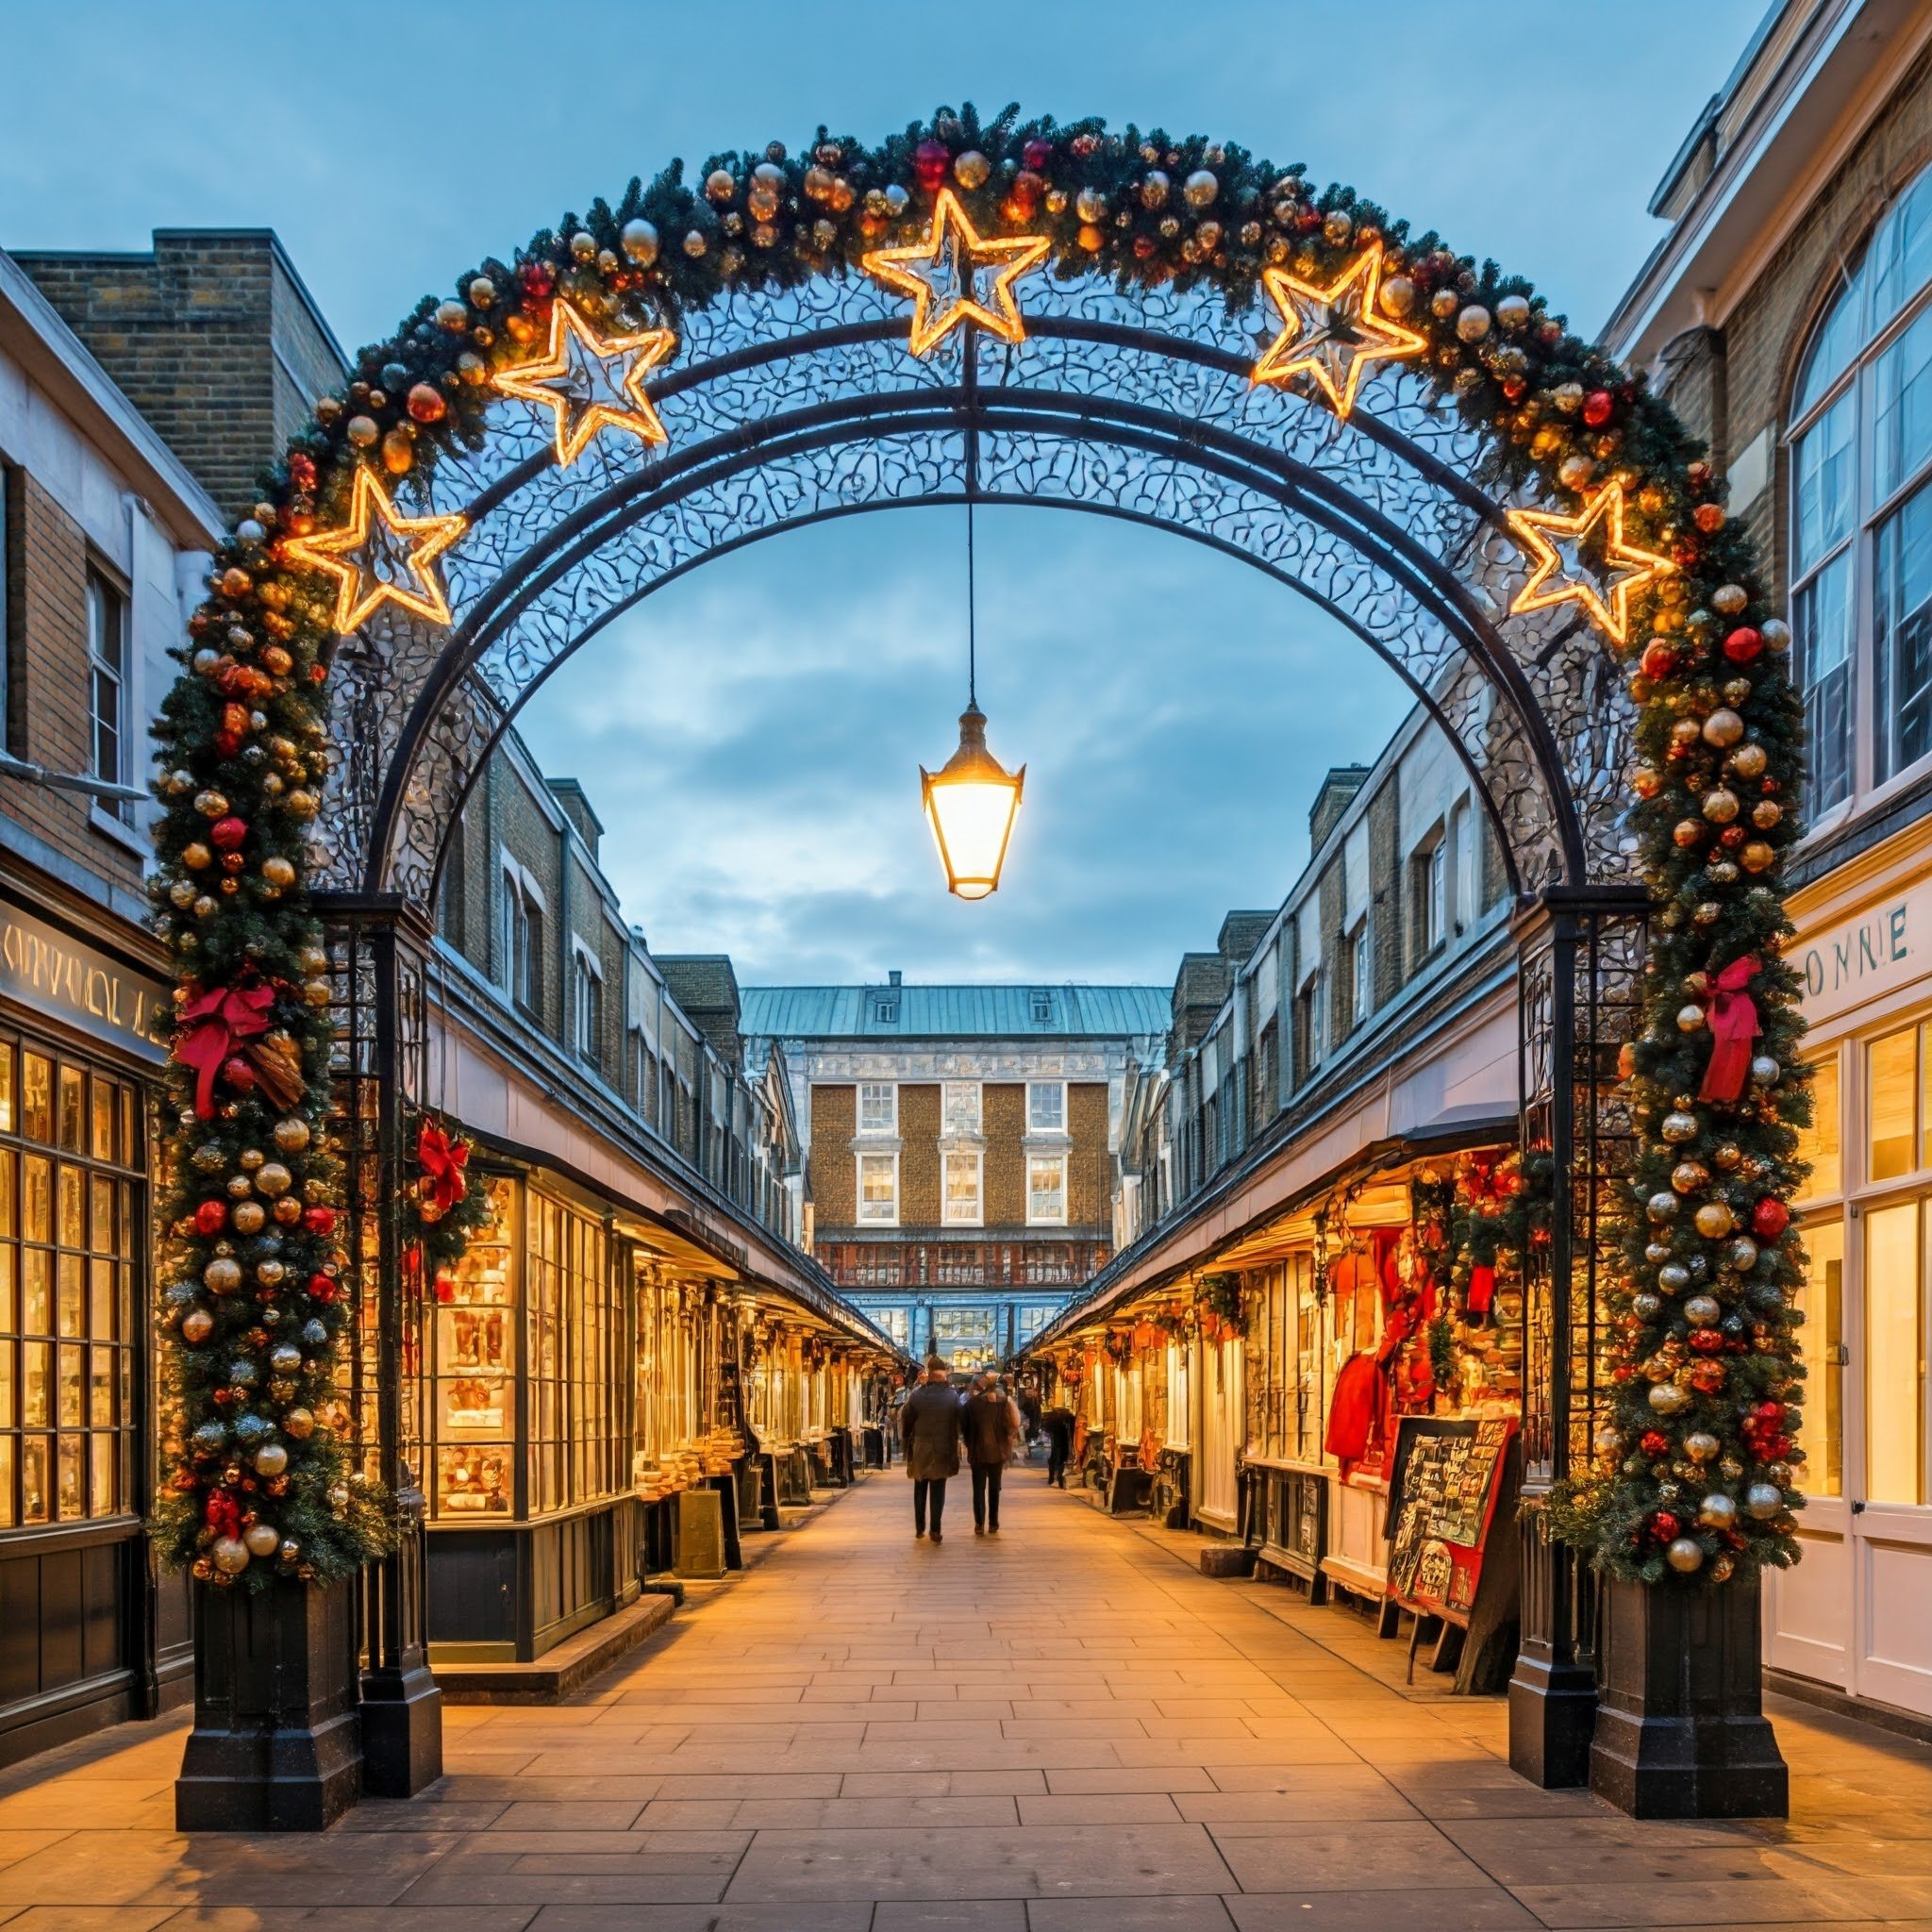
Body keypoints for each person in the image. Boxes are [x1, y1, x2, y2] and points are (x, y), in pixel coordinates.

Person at [900, 1356, 962, 1542]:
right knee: (938, 1489)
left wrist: (906, 1442)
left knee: (920, 1487)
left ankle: (920, 1528)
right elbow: (960, 1419)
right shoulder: (952, 1396)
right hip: (943, 1447)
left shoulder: (917, 1395)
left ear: (929, 1373)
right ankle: (935, 1529)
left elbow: (906, 1419)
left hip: (920, 1447)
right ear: (943, 1375)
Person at [963, 1374, 1020, 1534]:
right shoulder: (1004, 1403)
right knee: (994, 1488)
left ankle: (979, 1523)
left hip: (977, 1452)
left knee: (978, 1489)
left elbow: (964, 1427)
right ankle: (993, 1523)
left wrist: (970, 1444)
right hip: (999, 1452)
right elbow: (1015, 1423)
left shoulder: (971, 1404)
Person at [1041, 1398, 1075, 1489]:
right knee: (1061, 1458)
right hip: (1061, 1441)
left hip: (1055, 1440)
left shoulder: (1055, 1422)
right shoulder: (1064, 1420)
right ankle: (1059, 1479)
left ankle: (1051, 1478)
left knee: (1054, 1457)